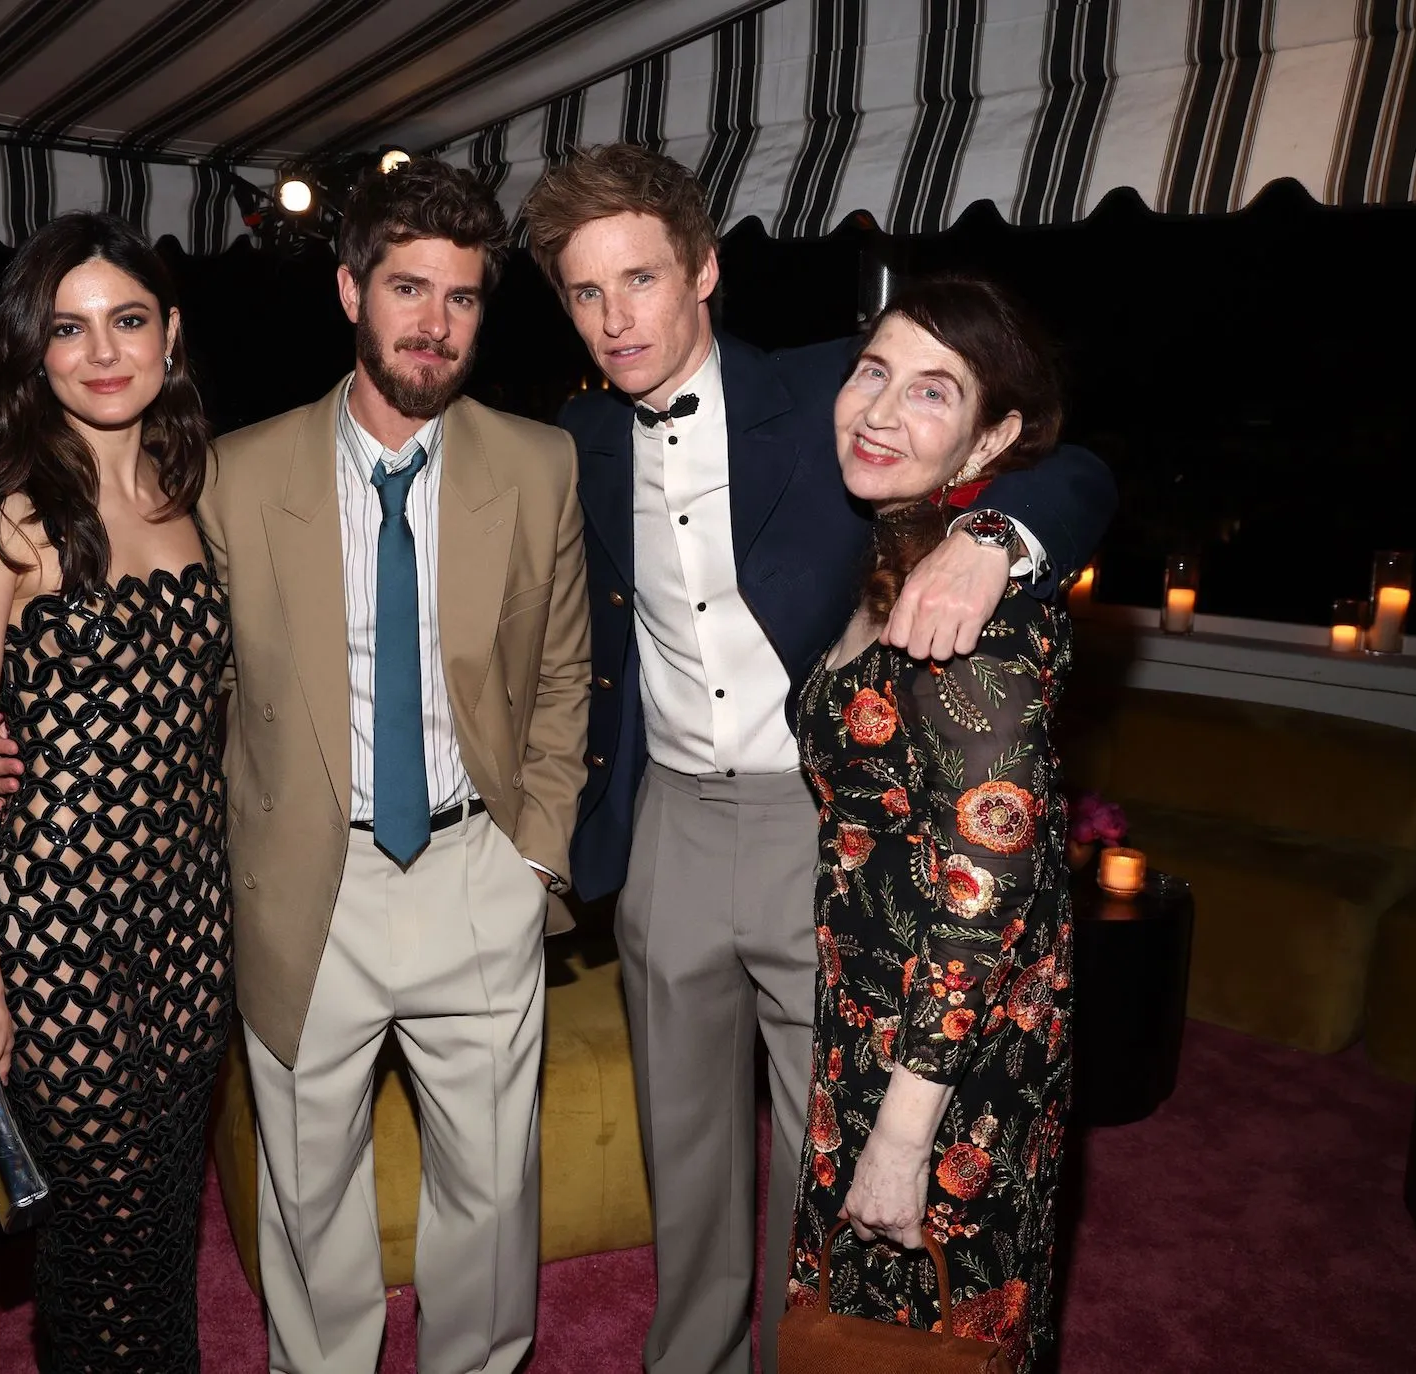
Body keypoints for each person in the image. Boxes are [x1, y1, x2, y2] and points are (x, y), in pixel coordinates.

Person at [520, 144, 1113, 1374]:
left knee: (826, 1149)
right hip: (669, 831)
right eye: (584, 292)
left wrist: (995, 537)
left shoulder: (837, 393)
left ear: (704, 271)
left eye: (639, 279)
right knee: (679, 1148)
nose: (614, 318)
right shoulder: (569, 440)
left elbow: (1077, 467)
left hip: (825, 831)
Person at [196, 160, 589, 1374]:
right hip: (309, 884)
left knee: (491, 1189)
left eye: (462, 298)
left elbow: (565, 678)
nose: (434, 322)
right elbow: (189, 695)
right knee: (308, 1199)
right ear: (347, 290)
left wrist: (533, 856)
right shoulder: (235, 477)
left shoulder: (537, 466)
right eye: (407, 288)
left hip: (476, 867)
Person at [0, 211, 230, 1372]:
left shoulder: (193, 487)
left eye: (128, 320)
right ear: (30, 349)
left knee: (163, 1232)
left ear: (170, 336)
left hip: (194, 922)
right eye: (68, 327)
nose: (103, 352)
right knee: (98, 1251)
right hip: (62, 932)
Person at [787, 274, 1075, 1373]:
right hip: (877, 1017)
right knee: (864, 1327)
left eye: (929, 392)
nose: (876, 410)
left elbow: (990, 878)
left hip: (944, 1057)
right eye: (871, 372)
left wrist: (904, 1141)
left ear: (987, 437)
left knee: (930, 1333)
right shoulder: (903, 550)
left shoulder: (976, 612)